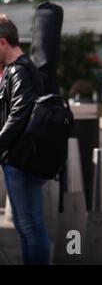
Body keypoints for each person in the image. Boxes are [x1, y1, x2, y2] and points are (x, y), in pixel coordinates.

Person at [0, 14, 50, 264]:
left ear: (2, 43)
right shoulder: (18, 68)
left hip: (21, 161)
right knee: (26, 225)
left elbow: (19, 113)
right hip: (22, 157)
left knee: (30, 226)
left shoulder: (19, 70)